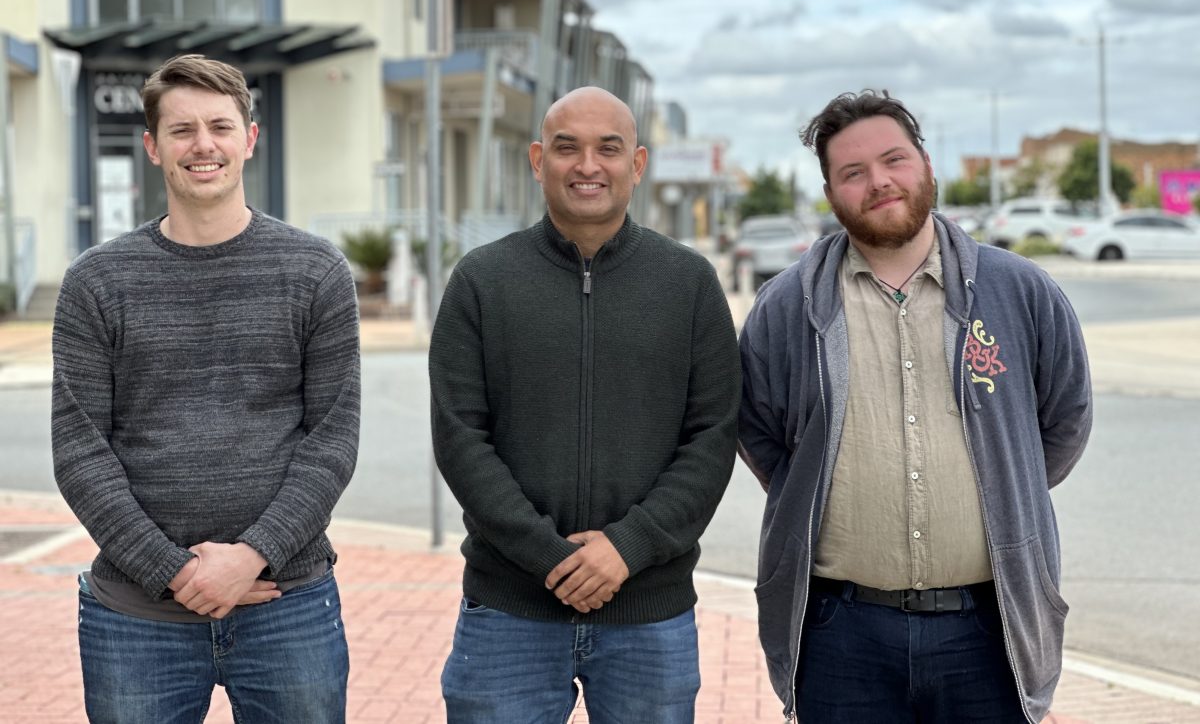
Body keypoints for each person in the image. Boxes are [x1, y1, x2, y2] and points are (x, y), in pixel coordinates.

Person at [738, 90, 1092, 723]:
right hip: (838, 634)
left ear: (927, 165)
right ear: (831, 193)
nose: (879, 182)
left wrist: (1010, 482)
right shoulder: (785, 308)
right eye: (853, 172)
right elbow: (762, 436)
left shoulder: (1021, 291)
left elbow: (1062, 424)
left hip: (990, 630)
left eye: (893, 160)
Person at [52, 54, 360, 723]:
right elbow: (81, 453)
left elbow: (331, 441)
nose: (203, 145)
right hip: (137, 618)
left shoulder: (316, 271)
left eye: (221, 126)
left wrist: (249, 557)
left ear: (249, 139)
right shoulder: (96, 282)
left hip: (289, 604)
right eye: (182, 129)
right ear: (152, 146)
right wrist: (175, 571)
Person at [430, 85, 740, 723]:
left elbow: (713, 436)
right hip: (510, 611)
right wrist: (553, 558)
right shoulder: (481, 280)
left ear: (639, 164)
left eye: (609, 148)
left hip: (648, 611)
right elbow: (461, 438)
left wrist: (627, 547)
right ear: (538, 160)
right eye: (567, 149)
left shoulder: (689, 283)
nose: (588, 165)